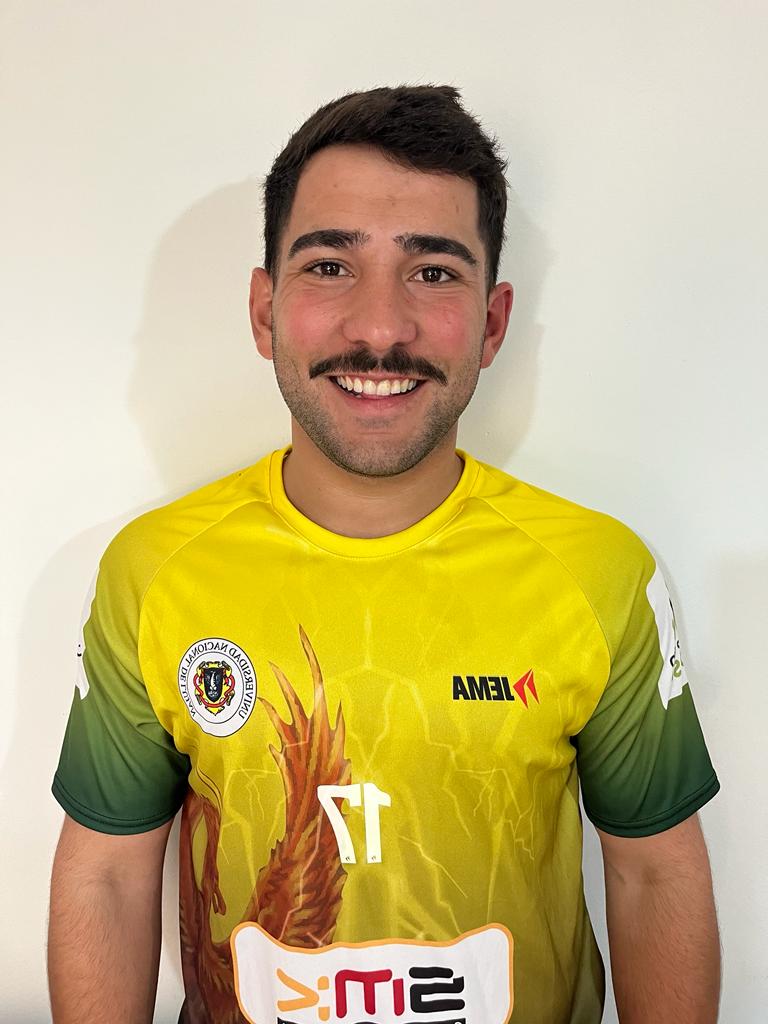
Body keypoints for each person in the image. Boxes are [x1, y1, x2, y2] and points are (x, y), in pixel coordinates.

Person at [48, 85, 720, 1024]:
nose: (379, 327)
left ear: (492, 323)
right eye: (330, 266)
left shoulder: (599, 573)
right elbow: (110, 875)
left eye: (433, 272)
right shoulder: (152, 571)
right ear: (264, 310)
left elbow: (654, 873)